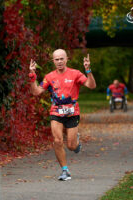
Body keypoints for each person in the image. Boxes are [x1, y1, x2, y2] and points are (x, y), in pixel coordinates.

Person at [28, 49, 96, 181]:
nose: (59, 61)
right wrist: (32, 76)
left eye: (61, 59)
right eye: (56, 59)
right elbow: (36, 92)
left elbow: (91, 86)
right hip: (56, 112)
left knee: (71, 146)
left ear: (66, 59)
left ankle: (76, 142)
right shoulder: (49, 77)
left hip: (72, 113)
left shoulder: (75, 73)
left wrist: (88, 70)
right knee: (57, 140)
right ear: (53, 61)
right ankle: (65, 171)